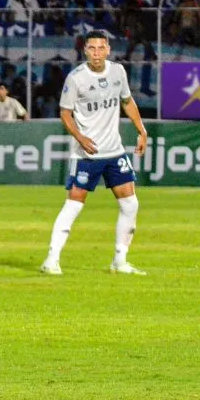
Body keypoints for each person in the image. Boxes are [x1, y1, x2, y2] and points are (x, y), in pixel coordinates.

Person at [41, 31, 148, 276]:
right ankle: (51, 258)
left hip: (114, 152)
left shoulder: (118, 72)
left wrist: (141, 131)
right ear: (85, 51)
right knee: (74, 205)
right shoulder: (76, 78)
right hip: (87, 155)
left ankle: (119, 261)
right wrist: (80, 137)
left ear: (109, 49)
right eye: (92, 48)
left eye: (101, 48)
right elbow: (65, 113)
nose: (97, 53)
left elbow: (127, 101)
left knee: (130, 204)